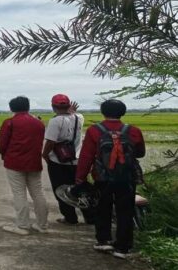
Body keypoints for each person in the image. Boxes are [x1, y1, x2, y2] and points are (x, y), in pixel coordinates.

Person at [74, 99, 145, 259]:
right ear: (123, 112)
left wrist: (80, 177)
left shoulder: (94, 130)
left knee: (102, 208)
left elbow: (86, 156)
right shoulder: (133, 130)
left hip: (102, 177)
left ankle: (103, 241)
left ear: (103, 112)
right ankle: (123, 247)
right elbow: (140, 153)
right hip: (126, 178)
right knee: (125, 211)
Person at [0, 96, 49, 235]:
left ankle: (22, 226)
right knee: (38, 193)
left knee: (19, 193)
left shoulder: (10, 122)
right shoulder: (39, 123)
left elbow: (2, 144)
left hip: (14, 162)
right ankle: (42, 225)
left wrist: (5, 155)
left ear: (12, 108)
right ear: (28, 107)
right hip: (34, 162)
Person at [42, 94, 94, 225]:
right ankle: (90, 217)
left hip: (59, 161)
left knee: (61, 190)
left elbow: (50, 142)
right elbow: (71, 118)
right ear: (69, 105)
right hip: (77, 160)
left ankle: (70, 218)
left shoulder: (55, 121)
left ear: (53, 106)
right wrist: (71, 112)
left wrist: (45, 155)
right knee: (81, 188)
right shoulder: (79, 117)